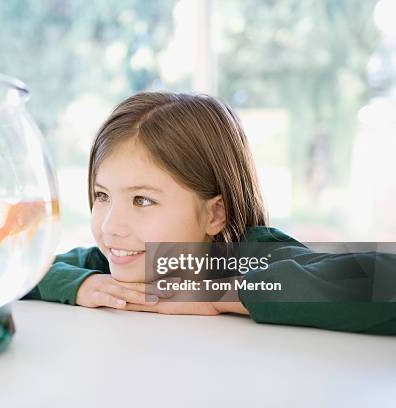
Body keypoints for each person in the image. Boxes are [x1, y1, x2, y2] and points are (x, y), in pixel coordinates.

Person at [23, 92, 396, 335]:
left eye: (142, 200)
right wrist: (81, 285)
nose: (110, 226)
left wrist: (217, 292)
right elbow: (25, 271)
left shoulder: (253, 256)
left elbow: (383, 282)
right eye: (102, 196)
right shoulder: (107, 266)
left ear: (214, 214)